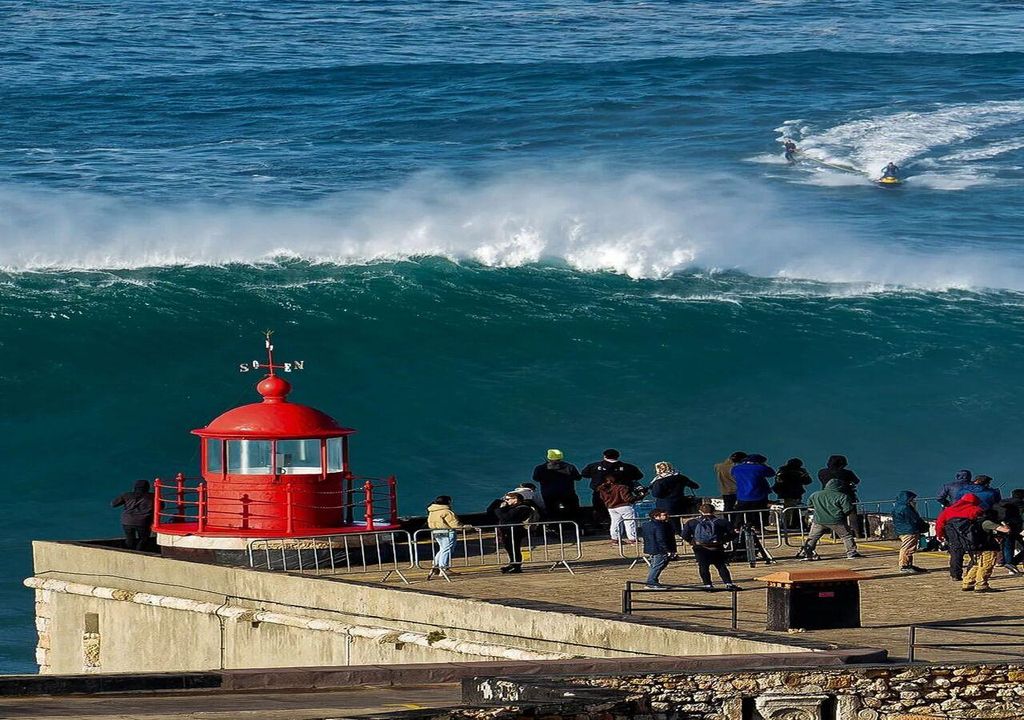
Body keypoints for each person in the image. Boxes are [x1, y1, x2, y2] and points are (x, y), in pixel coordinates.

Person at [797, 479, 864, 560]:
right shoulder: (842, 496)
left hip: (818, 520)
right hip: (836, 521)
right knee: (846, 536)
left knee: (812, 537)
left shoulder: (815, 495)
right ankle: (851, 553)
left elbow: (810, 505)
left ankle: (807, 554)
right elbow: (848, 509)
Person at [680, 504, 739, 591]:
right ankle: (728, 583)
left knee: (703, 567)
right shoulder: (721, 522)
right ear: (713, 511)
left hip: (700, 547)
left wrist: (693, 542)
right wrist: (722, 540)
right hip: (717, 547)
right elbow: (733, 534)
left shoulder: (692, 522)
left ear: (700, 511)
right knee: (721, 566)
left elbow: (684, 535)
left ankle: (708, 585)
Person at [581, 449, 644, 525]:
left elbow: (584, 474)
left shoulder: (594, 466)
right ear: (618, 456)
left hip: (600, 493)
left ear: (604, 456)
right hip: (622, 494)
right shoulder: (628, 467)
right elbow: (639, 476)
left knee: (599, 509)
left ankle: (599, 525)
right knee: (621, 512)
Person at [936, 493, 985, 582]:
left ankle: (955, 575)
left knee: (956, 555)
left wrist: (940, 535)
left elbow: (939, 524)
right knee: (975, 556)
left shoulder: (948, 510)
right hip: (971, 536)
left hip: (953, 536)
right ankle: (970, 574)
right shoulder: (976, 509)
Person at [426, 496, 476, 579]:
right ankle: (444, 568)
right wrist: (468, 527)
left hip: (436, 532)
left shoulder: (432, 511)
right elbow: (455, 524)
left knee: (442, 549)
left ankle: (435, 566)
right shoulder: (447, 511)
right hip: (447, 532)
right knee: (447, 549)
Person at [492, 492, 537, 573]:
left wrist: (500, 509)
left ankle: (517, 566)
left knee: (515, 548)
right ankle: (512, 563)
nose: (506, 501)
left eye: (508, 499)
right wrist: (497, 505)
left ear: (516, 500)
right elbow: (491, 512)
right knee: (508, 547)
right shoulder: (510, 508)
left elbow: (506, 517)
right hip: (506, 531)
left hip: (516, 531)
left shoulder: (523, 508)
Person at [648, 461, 699, 533]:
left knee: (668, 524)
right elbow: (695, 486)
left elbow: (656, 494)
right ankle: (681, 535)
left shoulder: (658, 481)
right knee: (677, 522)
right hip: (680, 503)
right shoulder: (680, 477)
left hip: (664, 505)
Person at [532, 449, 581, 521]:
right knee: (573, 511)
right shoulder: (570, 467)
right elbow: (578, 478)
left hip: (549, 494)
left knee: (552, 512)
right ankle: (577, 527)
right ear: (561, 457)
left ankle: (555, 529)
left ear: (548, 457)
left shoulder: (540, 468)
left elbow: (536, 478)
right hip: (568, 493)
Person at [818, 455, 860, 533]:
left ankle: (834, 534)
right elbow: (857, 481)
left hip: (828, 497)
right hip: (846, 496)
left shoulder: (822, 472)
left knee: (832, 514)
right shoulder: (847, 473)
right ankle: (857, 533)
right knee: (852, 514)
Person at [892, 490, 929, 574]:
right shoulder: (905, 508)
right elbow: (914, 519)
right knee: (907, 548)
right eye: (912, 499)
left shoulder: (898, 507)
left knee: (910, 548)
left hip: (904, 530)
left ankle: (909, 564)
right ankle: (904, 566)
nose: (914, 501)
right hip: (908, 530)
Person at [111, 480, 155, 551]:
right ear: (147, 487)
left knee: (130, 539)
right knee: (144, 539)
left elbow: (113, 504)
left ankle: (130, 552)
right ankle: (139, 552)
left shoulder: (127, 495)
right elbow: (161, 506)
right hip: (143, 521)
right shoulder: (152, 497)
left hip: (128, 521)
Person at [639, 509, 677, 589]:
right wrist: (668, 550)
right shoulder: (660, 526)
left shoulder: (646, 524)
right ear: (656, 516)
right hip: (660, 549)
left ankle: (653, 581)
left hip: (651, 548)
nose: (667, 516)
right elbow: (661, 539)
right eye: (664, 515)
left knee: (655, 566)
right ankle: (651, 582)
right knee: (657, 566)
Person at [597, 475, 639, 544]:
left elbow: (602, 498)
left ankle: (615, 539)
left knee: (615, 523)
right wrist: (639, 496)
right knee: (630, 522)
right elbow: (628, 499)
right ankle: (633, 539)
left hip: (611, 507)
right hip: (624, 506)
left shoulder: (602, 489)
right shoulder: (621, 487)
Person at [773, 458, 812, 529]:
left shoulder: (782, 471)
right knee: (792, 509)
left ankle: (788, 524)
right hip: (794, 493)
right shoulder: (799, 472)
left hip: (783, 494)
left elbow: (778, 482)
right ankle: (789, 524)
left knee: (788, 510)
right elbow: (808, 481)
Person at [995, 489, 1024, 574]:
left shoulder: (1002, 502)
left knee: (1008, 546)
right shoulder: (1021, 504)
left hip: (1003, 526)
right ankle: (1013, 562)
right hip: (1017, 527)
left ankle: (1009, 563)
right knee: (1017, 546)